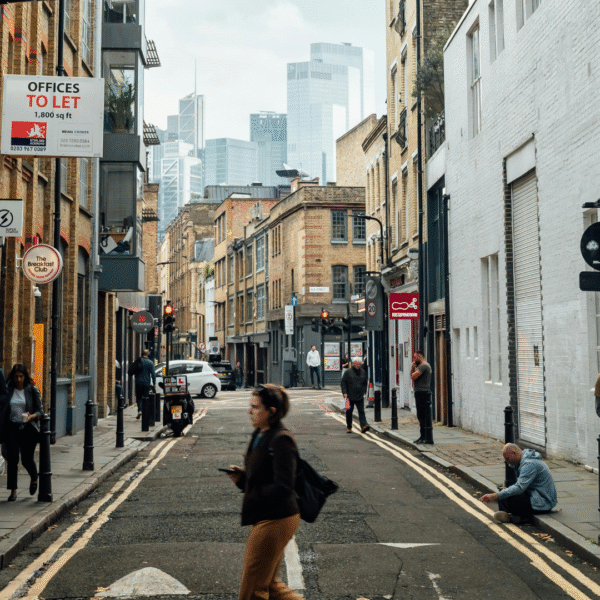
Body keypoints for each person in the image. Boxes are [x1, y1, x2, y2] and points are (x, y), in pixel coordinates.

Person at [224, 384, 305, 600]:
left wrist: (255, 494)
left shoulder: (281, 440)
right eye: (250, 406)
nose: (250, 411)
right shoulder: (261, 434)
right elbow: (262, 476)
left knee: (252, 590)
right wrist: (243, 479)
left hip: (276, 519)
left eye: (256, 407)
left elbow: (284, 486)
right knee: (271, 587)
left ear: (272, 411)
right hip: (268, 516)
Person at [480, 443, 557, 524]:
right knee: (504, 492)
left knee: (509, 495)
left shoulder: (529, 464)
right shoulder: (525, 461)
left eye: (508, 458)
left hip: (543, 502)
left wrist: (495, 496)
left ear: (514, 453)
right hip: (535, 496)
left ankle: (517, 517)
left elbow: (519, 488)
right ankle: (513, 515)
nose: (508, 463)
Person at [0, 364, 42, 501]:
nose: (18, 379)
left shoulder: (32, 390)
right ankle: (13, 491)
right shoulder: (9, 390)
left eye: (21, 376)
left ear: (25, 376)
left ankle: (34, 477)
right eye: (16, 376)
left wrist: (32, 416)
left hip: (28, 429)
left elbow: (40, 411)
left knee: (26, 460)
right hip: (12, 428)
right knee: (12, 460)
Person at [341, 358, 370, 434]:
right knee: (349, 412)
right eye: (357, 364)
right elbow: (343, 382)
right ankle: (349, 427)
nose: (358, 365)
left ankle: (363, 426)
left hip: (360, 396)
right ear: (353, 363)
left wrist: (364, 391)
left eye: (359, 364)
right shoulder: (348, 372)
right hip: (349, 396)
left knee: (361, 411)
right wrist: (344, 392)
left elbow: (365, 382)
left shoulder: (363, 372)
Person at [411, 350, 433, 444]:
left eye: (415, 357)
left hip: (422, 393)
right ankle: (423, 436)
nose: (414, 359)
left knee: (422, 416)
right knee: (421, 416)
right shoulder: (421, 366)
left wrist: (412, 368)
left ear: (420, 356)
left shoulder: (424, 366)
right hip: (421, 392)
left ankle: (424, 437)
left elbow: (413, 377)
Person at [133, 350, 156, 419]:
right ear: (148, 355)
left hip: (138, 382)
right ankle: (145, 413)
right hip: (146, 383)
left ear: (141, 354)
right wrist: (154, 383)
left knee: (139, 397)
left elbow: (133, 370)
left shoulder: (138, 361)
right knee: (145, 398)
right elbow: (153, 374)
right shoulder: (150, 362)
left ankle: (140, 410)